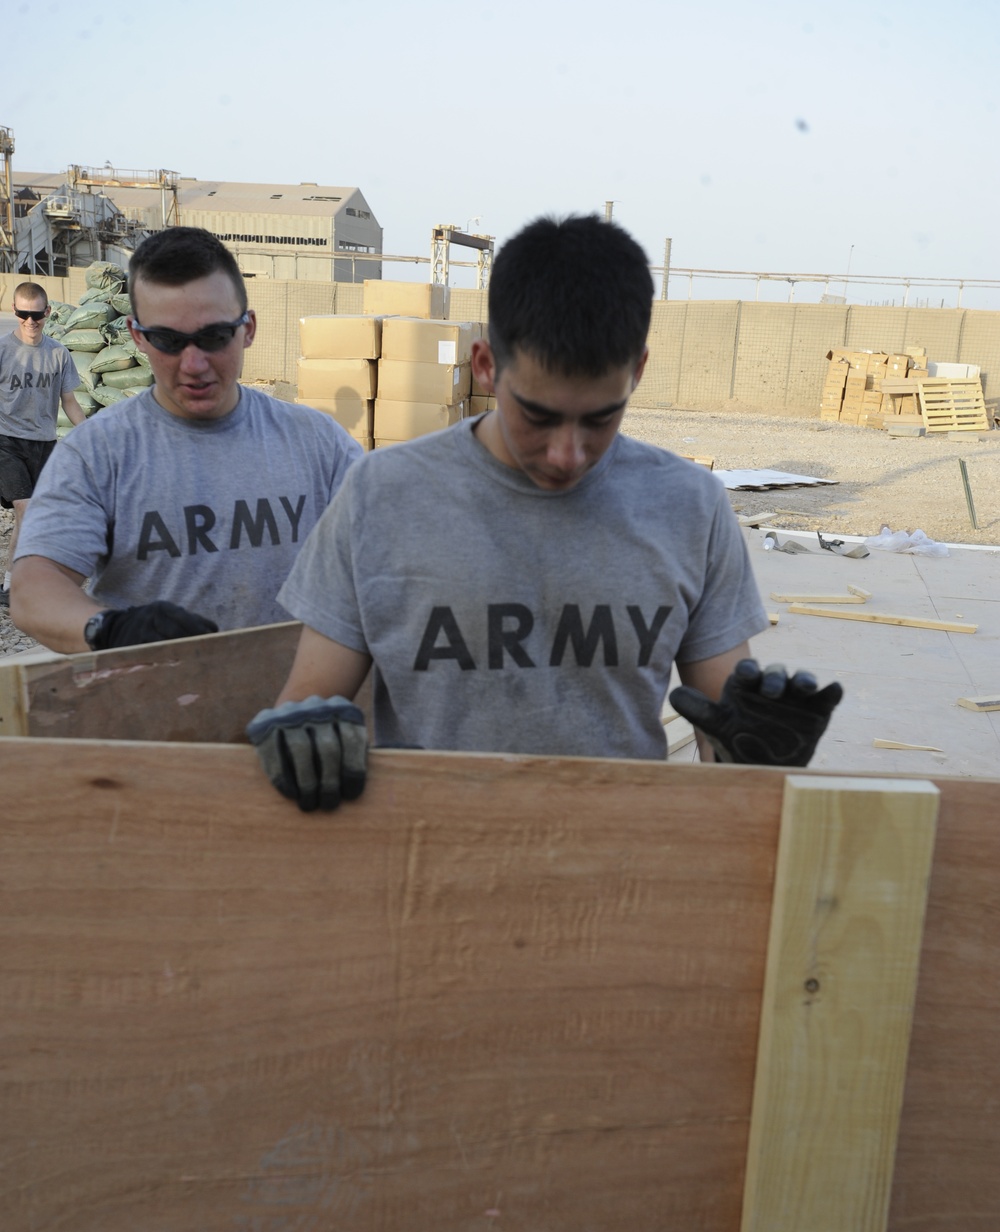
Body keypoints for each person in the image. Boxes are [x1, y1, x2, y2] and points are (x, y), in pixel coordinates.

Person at [246, 214, 841, 811]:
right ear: (485, 365)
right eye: (538, 416)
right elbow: (311, 699)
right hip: (424, 865)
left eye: (600, 418)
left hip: (617, 872)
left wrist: (756, 753)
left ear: (636, 371)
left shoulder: (689, 506)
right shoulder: (381, 495)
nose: (567, 454)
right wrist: (303, 736)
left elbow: (723, 735)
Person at [10, 227, 361, 653]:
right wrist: (111, 628)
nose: (193, 364)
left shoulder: (317, 444)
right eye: (168, 341)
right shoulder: (98, 454)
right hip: (156, 708)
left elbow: (387, 561)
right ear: (137, 337)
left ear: (247, 329)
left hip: (290, 704)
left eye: (214, 337)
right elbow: (34, 590)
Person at [0, 281, 86, 607]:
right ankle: (19, 587)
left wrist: (94, 435)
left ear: (47, 312)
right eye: (23, 313)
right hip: (6, 441)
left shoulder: (58, 354)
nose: (30, 321)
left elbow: (70, 402)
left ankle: (12, 583)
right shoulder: (2, 351)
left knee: (38, 516)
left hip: (45, 444)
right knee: (27, 509)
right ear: (15, 312)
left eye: (36, 314)